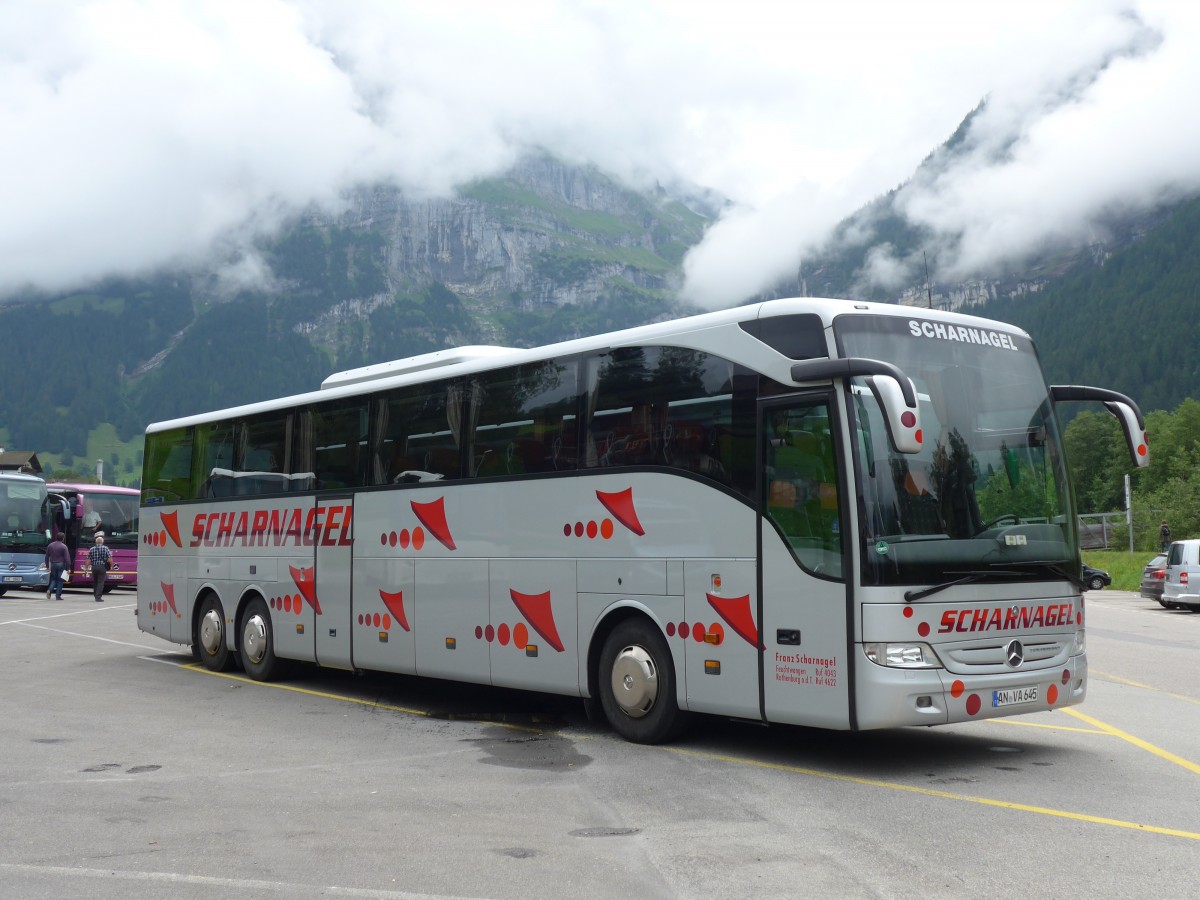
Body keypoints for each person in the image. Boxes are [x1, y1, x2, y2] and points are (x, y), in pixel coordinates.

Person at [44, 531, 72, 601]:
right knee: (60, 580)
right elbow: (67, 558)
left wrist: (47, 566)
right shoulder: (64, 547)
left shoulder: (50, 545)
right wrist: (68, 568)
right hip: (61, 564)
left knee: (54, 579)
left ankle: (50, 590)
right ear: (63, 538)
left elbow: (47, 556)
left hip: (53, 563)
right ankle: (58, 596)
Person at [87, 532, 113, 602]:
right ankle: (98, 597)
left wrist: (86, 569)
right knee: (100, 582)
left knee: (95, 582)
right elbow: (110, 559)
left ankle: (95, 595)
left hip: (94, 567)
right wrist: (111, 566)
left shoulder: (92, 549)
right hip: (102, 567)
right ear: (102, 542)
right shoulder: (106, 548)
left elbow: (88, 560)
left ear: (96, 542)